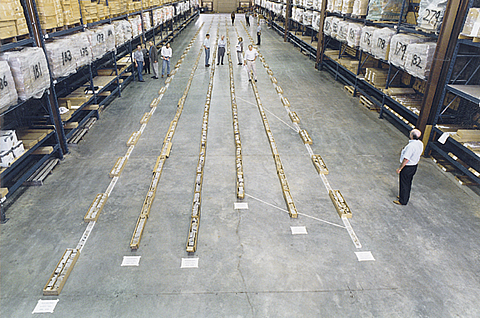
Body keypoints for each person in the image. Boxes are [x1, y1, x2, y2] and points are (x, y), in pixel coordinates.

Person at [394, 129, 424, 206]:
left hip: (408, 167)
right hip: (414, 166)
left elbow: (406, 159)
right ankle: (403, 196)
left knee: (404, 183)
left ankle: (403, 200)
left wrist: (400, 168)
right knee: (408, 182)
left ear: (411, 136)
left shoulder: (411, 146)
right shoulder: (420, 143)